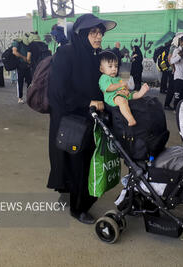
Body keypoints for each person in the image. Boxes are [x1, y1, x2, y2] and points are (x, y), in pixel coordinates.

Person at [48, 14, 117, 224]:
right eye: (93, 33)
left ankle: (71, 197)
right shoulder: (66, 53)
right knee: (74, 163)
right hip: (69, 119)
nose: (98, 37)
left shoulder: (96, 57)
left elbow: (101, 84)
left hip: (90, 119)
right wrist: (87, 102)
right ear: (82, 34)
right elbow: (57, 92)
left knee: (84, 162)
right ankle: (78, 208)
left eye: (100, 33)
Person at [99, 51, 149, 126]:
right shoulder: (104, 77)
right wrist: (121, 84)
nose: (114, 69)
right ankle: (130, 119)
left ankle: (139, 93)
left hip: (122, 94)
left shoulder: (117, 78)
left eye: (116, 66)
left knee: (131, 94)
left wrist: (126, 89)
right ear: (102, 69)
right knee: (122, 100)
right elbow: (108, 88)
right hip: (112, 97)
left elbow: (125, 87)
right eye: (110, 66)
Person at [170, 35, 183, 108]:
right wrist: (179, 56)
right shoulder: (177, 50)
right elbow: (171, 61)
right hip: (178, 76)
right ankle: (176, 108)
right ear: (181, 42)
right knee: (177, 95)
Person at [12, 33, 32, 104]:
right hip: (20, 65)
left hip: (28, 65)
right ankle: (20, 98)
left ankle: (29, 97)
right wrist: (23, 57)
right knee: (20, 82)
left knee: (30, 82)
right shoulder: (17, 42)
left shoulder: (30, 42)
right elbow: (14, 52)